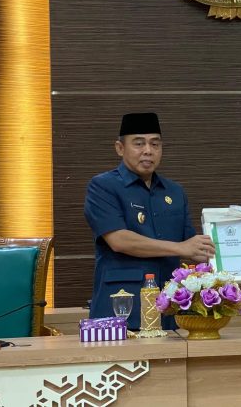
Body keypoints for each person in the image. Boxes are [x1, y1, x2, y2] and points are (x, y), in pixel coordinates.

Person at [84, 112, 216, 329]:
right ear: (120, 148)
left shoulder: (175, 191)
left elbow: (193, 247)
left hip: (172, 307)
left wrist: (233, 274)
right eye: (139, 143)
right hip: (122, 305)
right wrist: (180, 248)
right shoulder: (103, 187)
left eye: (155, 144)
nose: (148, 150)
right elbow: (119, 240)